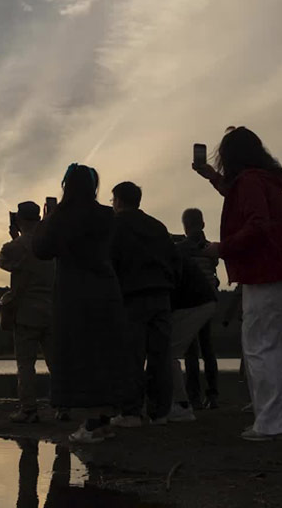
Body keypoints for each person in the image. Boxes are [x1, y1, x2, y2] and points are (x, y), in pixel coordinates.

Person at [193, 126, 282, 441]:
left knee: (260, 348)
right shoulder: (264, 180)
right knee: (281, 349)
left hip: (267, 274)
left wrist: (221, 248)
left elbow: (257, 225)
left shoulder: (252, 182)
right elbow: (239, 196)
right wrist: (212, 177)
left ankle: (273, 425)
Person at [32, 163, 127, 443]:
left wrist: (47, 218)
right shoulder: (108, 215)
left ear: (66, 187)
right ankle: (103, 418)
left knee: (79, 355)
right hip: (106, 289)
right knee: (103, 354)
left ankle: (93, 423)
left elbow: (41, 250)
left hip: (74, 293)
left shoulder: (62, 217)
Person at [109, 181, 179, 427]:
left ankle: (130, 412)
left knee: (132, 356)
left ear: (118, 200)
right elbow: (173, 258)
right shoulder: (158, 227)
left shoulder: (115, 226)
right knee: (161, 355)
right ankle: (160, 412)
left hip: (132, 296)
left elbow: (111, 259)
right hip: (161, 295)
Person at [0, 201, 66, 423]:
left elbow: (2, 262)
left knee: (25, 363)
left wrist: (14, 237)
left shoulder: (15, 247)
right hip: (53, 308)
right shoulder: (54, 244)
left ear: (18, 220)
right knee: (56, 362)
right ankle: (63, 407)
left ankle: (29, 409)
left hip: (26, 311)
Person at [176, 208, 221, 409]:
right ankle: (213, 395)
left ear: (185, 226)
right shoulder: (211, 248)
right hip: (210, 301)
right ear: (202, 224)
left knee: (191, 352)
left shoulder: (182, 248)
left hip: (191, 303)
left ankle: (194, 397)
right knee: (208, 349)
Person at [167, 253, 219, 422]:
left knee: (169, 352)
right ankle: (186, 401)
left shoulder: (166, 258)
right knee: (199, 351)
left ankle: (181, 405)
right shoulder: (174, 255)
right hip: (200, 301)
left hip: (194, 304)